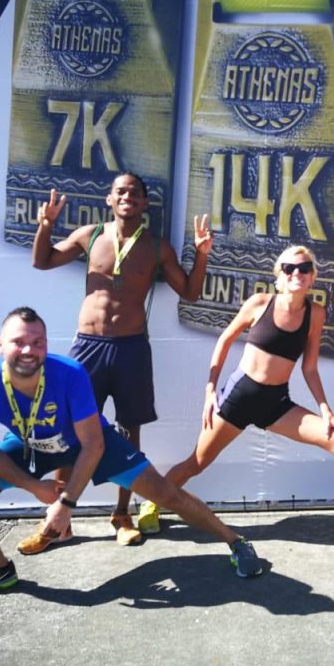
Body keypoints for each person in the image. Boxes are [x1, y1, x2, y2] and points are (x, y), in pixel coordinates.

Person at [0, 307, 261, 602]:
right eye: (18, 342)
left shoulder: (70, 373)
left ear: (46, 345)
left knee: (167, 494)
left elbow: (93, 444)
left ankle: (236, 541)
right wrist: (35, 488)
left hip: (90, 443)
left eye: (37, 342)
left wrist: (65, 503)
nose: (29, 350)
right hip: (33, 445)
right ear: (0, 345)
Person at [164, 246, 334, 563]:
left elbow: (309, 368)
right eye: (289, 268)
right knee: (196, 464)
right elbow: (225, 340)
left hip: (276, 403)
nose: (296, 273)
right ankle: (154, 498)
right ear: (279, 276)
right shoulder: (260, 303)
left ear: (312, 276)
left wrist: (325, 409)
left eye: (303, 268)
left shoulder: (316, 314)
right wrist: (210, 389)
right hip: (239, 397)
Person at [30, 172, 211, 550]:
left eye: (135, 193)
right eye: (120, 192)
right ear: (109, 200)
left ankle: (122, 514)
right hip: (88, 347)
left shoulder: (157, 247)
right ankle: (58, 520)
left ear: (145, 204)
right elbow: (42, 261)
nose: (127, 197)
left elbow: (191, 293)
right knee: (70, 432)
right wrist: (46, 226)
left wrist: (202, 253)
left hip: (130, 348)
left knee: (130, 433)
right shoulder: (89, 235)